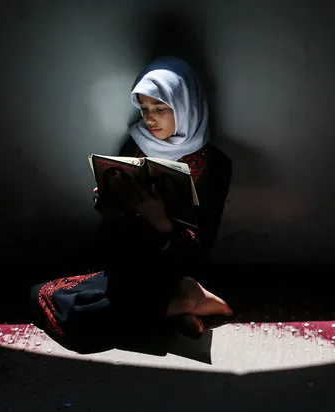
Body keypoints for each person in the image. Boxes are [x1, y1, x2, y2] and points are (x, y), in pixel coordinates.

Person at [30, 56, 233, 352]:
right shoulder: (134, 145)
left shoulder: (215, 165)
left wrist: (161, 222)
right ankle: (175, 311)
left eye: (161, 108)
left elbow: (202, 244)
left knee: (84, 321)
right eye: (145, 108)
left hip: (175, 271)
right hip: (129, 268)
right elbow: (114, 239)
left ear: (185, 104)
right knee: (41, 294)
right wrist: (109, 211)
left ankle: (181, 299)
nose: (150, 119)